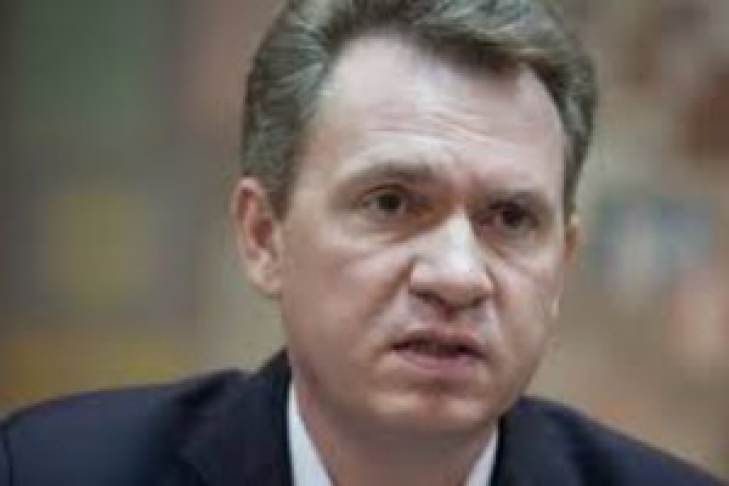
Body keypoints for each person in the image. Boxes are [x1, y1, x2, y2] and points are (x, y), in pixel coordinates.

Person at [0, 0, 722, 484]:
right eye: (391, 203)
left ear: (559, 265)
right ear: (263, 236)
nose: (457, 275)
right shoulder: (48, 470)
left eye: (509, 219)